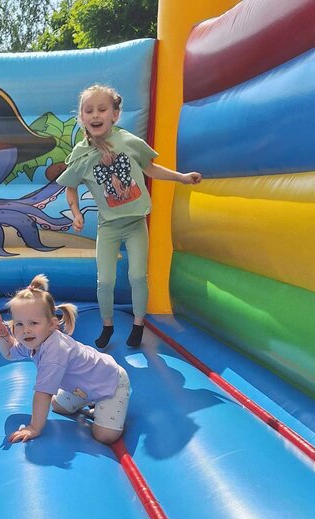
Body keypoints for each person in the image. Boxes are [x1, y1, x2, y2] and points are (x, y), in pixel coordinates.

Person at [57, 84, 202, 349]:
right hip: (108, 226)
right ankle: (107, 326)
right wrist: (76, 213)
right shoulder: (81, 155)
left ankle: (138, 325)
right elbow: (70, 186)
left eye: (102, 109)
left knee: (137, 277)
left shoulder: (128, 141)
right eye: (89, 111)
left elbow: (151, 168)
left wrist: (181, 177)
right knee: (105, 281)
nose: (95, 115)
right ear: (82, 117)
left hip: (135, 223)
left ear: (115, 114)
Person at [0, 274, 130, 445]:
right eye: (19, 324)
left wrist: (34, 427)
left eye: (33, 323)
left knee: (104, 436)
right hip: (83, 386)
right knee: (58, 406)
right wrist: (3, 335)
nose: (26, 330)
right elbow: (10, 353)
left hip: (110, 382)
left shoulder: (55, 352)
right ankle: (91, 401)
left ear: (52, 324)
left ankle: (106, 406)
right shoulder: (33, 340)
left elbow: (43, 393)